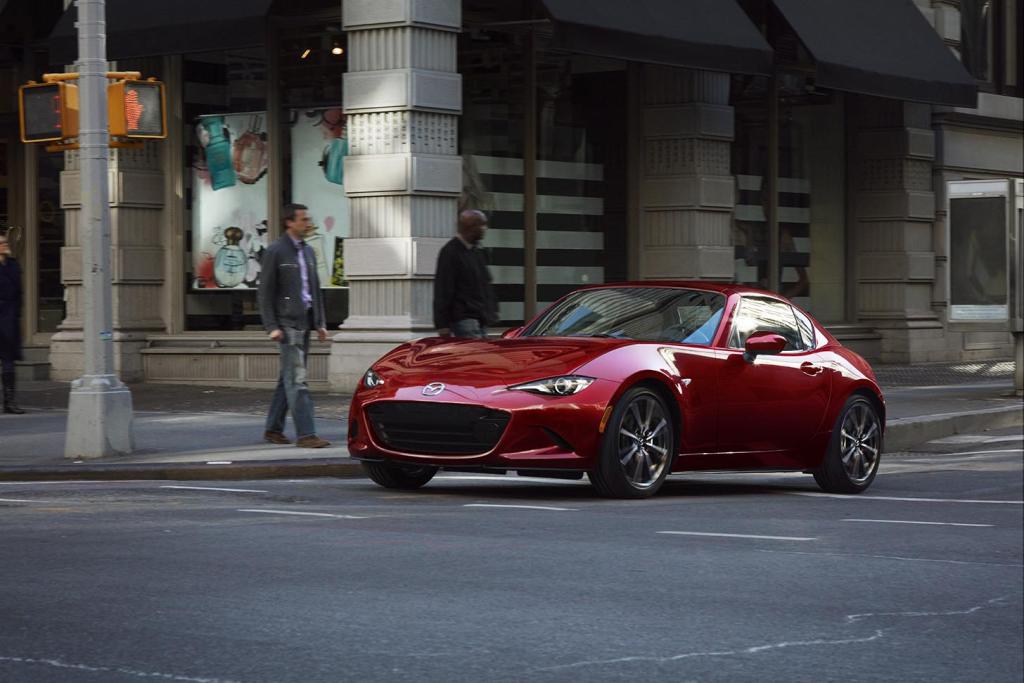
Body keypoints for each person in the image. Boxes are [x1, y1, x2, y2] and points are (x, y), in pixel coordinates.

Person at [258, 204, 330, 448]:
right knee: (297, 380)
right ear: (289, 222)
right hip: (287, 325)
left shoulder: (308, 251)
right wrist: (271, 326)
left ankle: (273, 429)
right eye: (303, 219)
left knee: (288, 379)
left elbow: (314, 290)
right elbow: (265, 292)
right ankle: (306, 434)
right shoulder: (276, 251)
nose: (307, 223)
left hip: (306, 322)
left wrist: (320, 322)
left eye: (308, 219)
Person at [433, 209, 498, 338]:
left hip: (480, 318)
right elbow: (443, 289)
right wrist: (442, 325)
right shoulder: (450, 252)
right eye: (481, 224)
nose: (485, 228)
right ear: (470, 227)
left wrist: (491, 311)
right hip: (464, 318)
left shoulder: (476, 251)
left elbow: (485, 284)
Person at [0, 231, 24, 414]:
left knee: (8, 361)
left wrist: (16, 314)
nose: (5, 245)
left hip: (9, 319)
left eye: (5, 242)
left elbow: (19, 293)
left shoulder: (13, 265)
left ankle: (10, 401)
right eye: (1, 243)